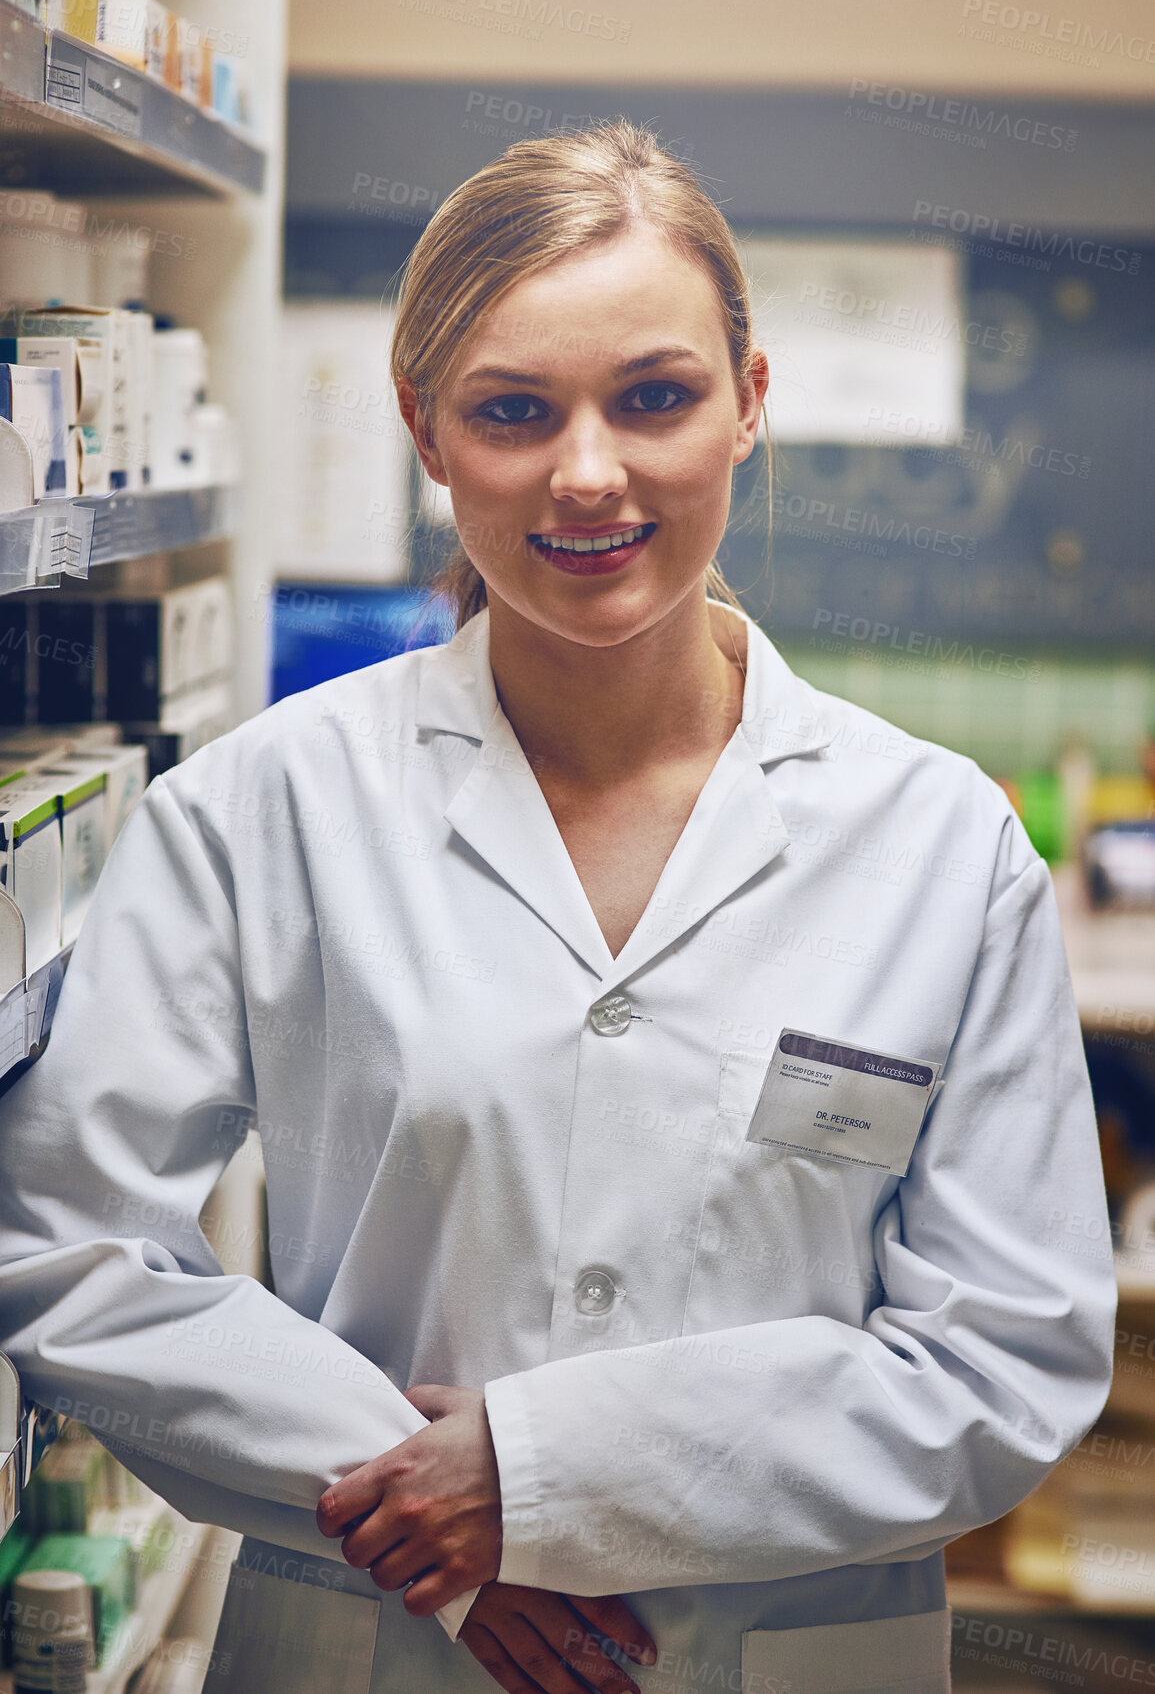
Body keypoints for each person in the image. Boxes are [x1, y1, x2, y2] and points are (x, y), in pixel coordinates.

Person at [0, 121, 1115, 1694]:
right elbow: (68, 1243)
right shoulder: (265, 813)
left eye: (654, 396)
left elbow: (1007, 1355)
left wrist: (540, 1480)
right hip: (373, 1634)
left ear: (750, 404)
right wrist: (423, 1522)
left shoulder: (939, 845)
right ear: (426, 432)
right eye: (513, 412)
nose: (587, 472)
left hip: (795, 1652)